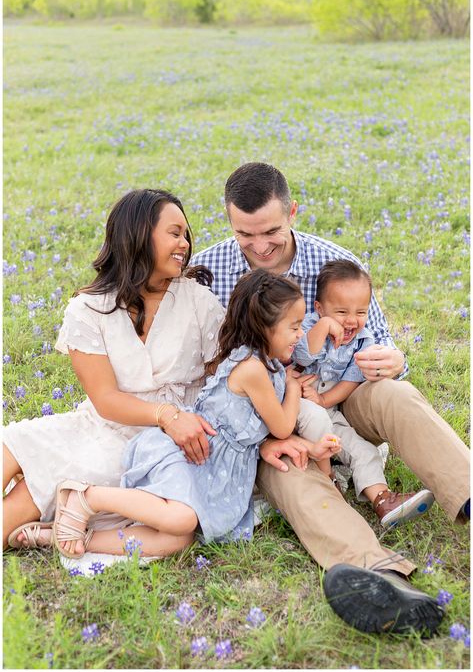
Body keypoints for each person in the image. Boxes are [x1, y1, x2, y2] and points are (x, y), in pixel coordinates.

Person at [189, 161, 470, 635]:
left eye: (271, 231)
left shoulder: (333, 260)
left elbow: (379, 341)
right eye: (244, 234)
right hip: (268, 418)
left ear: (293, 212)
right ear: (229, 221)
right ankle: (380, 577)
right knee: (290, 469)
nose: (258, 246)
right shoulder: (207, 273)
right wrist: (261, 439)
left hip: (343, 397)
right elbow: (205, 380)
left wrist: (392, 360)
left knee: (396, 394)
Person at [49, 270, 342, 559]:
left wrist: (313, 448)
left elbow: (266, 434)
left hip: (211, 467)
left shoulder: (268, 365)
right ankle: (86, 497)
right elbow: (281, 426)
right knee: (183, 520)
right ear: (265, 326)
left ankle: (75, 539)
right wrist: (292, 387)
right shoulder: (252, 369)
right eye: (294, 327)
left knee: (178, 540)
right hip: (194, 455)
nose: (300, 334)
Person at [3, 188, 227, 553]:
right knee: (12, 443)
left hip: (149, 446)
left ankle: (47, 517)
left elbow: (224, 379)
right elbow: (105, 400)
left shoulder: (199, 301)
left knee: (36, 487)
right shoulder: (89, 308)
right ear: (138, 235)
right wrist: (166, 414)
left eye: (186, 234)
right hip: (99, 424)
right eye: (174, 233)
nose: (184, 243)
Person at [293, 258, 434, 527]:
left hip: (328, 409)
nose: (351, 320)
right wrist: (323, 326)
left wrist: (323, 399)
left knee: (363, 449)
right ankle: (329, 486)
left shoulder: (363, 340)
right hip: (294, 409)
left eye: (360, 312)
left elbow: (350, 382)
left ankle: (382, 499)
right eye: (341, 312)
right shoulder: (308, 325)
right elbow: (302, 353)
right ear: (319, 308)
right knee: (318, 423)